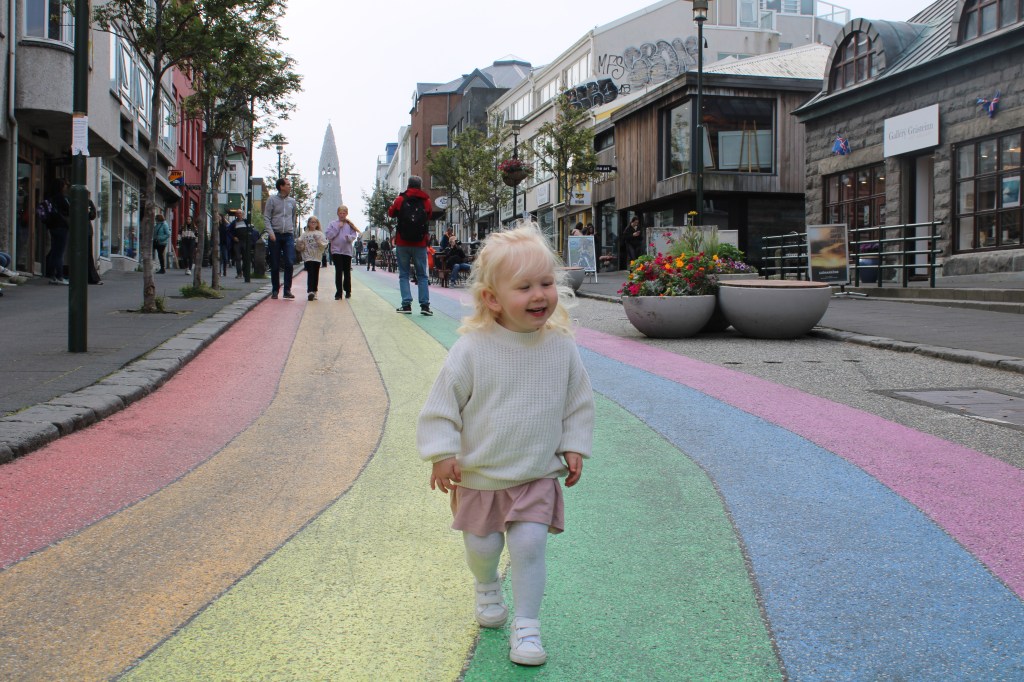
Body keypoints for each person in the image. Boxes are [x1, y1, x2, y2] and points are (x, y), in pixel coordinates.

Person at [417, 223, 594, 667]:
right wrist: (442, 453)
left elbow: (578, 401)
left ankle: (528, 626)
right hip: (480, 475)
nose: (540, 295)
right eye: (525, 287)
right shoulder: (473, 349)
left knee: (530, 546)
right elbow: (443, 403)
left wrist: (574, 444)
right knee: (482, 550)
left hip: (535, 472)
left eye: (547, 283)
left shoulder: (561, 347)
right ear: (493, 298)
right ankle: (486, 586)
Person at [387, 175, 433, 315]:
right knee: (422, 275)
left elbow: (391, 213)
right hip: (420, 243)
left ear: (408, 185)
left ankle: (406, 305)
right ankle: (425, 306)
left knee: (404, 274)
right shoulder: (426, 201)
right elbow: (428, 217)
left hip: (402, 242)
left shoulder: (401, 199)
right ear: (420, 186)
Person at [265, 177, 299, 299]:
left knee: (289, 262)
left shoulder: (292, 202)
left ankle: (287, 290)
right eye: (288, 184)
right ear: (281, 186)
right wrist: (271, 232)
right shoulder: (272, 200)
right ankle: (275, 290)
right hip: (275, 235)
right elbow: (267, 217)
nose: (290, 186)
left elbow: (293, 218)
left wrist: (293, 232)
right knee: (275, 264)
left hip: (288, 235)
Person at [324, 205, 360, 300]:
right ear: (338, 213)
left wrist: (349, 237)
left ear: (346, 214)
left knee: (347, 271)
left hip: (347, 251)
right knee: (338, 271)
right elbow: (329, 235)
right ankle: (338, 292)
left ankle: (348, 290)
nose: (342, 215)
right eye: (340, 213)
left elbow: (354, 235)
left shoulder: (349, 225)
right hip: (336, 251)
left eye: (344, 213)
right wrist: (337, 228)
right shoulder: (332, 224)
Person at [45, 179, 71, 285]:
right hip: (61, 226)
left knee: (54, 251)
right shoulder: (61, 198)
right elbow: (69, 209)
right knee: (59, 252)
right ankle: (59, 276)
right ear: (61, 187)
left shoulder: (50, 197)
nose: (66, 187)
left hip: (52, 227)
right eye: (65, 185)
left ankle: (52, 275)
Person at [297, 216, 329, 301]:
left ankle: (315, 291)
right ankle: (310, 291)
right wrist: (300, 244)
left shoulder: (320, 234)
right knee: (310, 272)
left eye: (315, 222)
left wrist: (318, 242)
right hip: (308, 256)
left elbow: (325, 244)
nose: (313, 224)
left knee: (315, 273)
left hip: (317, 257)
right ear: (308, 223)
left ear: (317, 224)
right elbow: (299, 245)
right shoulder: (305, 234)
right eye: (311, 222)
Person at [86, 195, 102, 285]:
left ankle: (91, 277)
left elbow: (93, 215)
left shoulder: (89, 202)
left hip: (87, 231)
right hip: (81, 231)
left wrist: (89, 212)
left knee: (88, 254)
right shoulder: (72, 200)